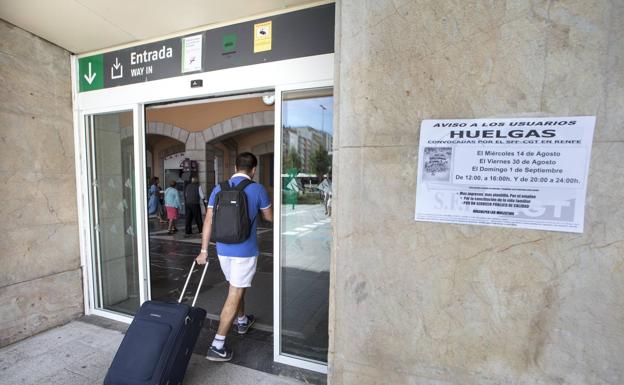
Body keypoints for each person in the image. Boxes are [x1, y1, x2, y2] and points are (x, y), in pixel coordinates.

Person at [196, 152, 273, 362]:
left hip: (223, 250)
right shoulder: (257, 189)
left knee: (235, 287)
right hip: (245, 251)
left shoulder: (219, 188)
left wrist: (204, 251)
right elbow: (269, 217)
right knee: (235, 292)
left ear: (235, 166)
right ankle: (217, 345)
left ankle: (242, 320)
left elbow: (209, 220)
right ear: (254, 169)